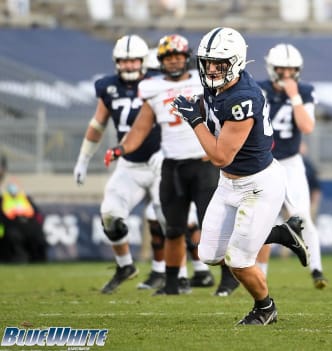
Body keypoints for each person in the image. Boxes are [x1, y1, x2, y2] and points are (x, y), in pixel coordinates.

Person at [171, 26, 310, 325]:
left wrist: (194, 120)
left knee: (239, 260)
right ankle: (278, 233)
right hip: (229, 184)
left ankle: (265, 308)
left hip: (258, 185)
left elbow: (219, 156)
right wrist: (196, 106)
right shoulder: (219, 85)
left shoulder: (242, 98)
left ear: (234, 62)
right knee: (208, 254)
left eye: (218, 63)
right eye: (207, 62)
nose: (210, 69)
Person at [105, 33, 216, 296]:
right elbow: (140, 127)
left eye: (179, 57)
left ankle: (224, 278)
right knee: (173, 227)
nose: (175, 62)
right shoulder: (152, 87)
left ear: (186, 58)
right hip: (172, 165)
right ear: (161, 61)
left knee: (210, 225)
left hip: (204, 161)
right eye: (169, 57)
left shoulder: (205, 83)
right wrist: (122, 148)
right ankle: (173, 282)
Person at [73, 34, 165, 294]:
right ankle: (125, 265)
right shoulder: (108, 87)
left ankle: (161, 271)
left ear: (143, 61)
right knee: (110, 215)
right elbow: (98, 124)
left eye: (134, 61)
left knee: (160, 218)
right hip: (129, 164)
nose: (129, 66)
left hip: (160, 160)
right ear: (116, 62)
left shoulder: (157, 83)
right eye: (124, 62)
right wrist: (83, 159)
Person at [254, 43, 328, 289]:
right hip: (263, 162)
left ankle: (317, 270)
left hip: (290, 163)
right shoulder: (258, 90)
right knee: (264, 220)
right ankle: (260, 274)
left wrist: (294, 96)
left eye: (291, 69)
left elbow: (307, 127)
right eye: (281, 69)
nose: (287, 74)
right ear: (271, 68)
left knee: (302, 216)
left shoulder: (304, 91)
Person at [0, 180, 47, 263]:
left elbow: (35, 213)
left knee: (37, 237)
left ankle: (38, 259)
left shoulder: (25, 198)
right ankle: (19, 259)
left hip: (28, 225)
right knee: (14, 237)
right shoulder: (3, 199)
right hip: (12, 225)